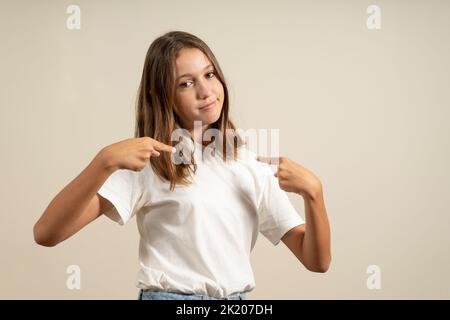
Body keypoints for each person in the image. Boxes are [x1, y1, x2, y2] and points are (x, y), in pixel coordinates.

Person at [33, 31, 331, 300]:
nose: (205, 91)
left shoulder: (249, 163)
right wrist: (103, 162)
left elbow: (316, 261)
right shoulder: (152, 162)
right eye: (186, 83)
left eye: (209, 75)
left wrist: (314, 194)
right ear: (164, 96)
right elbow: (47, 233)